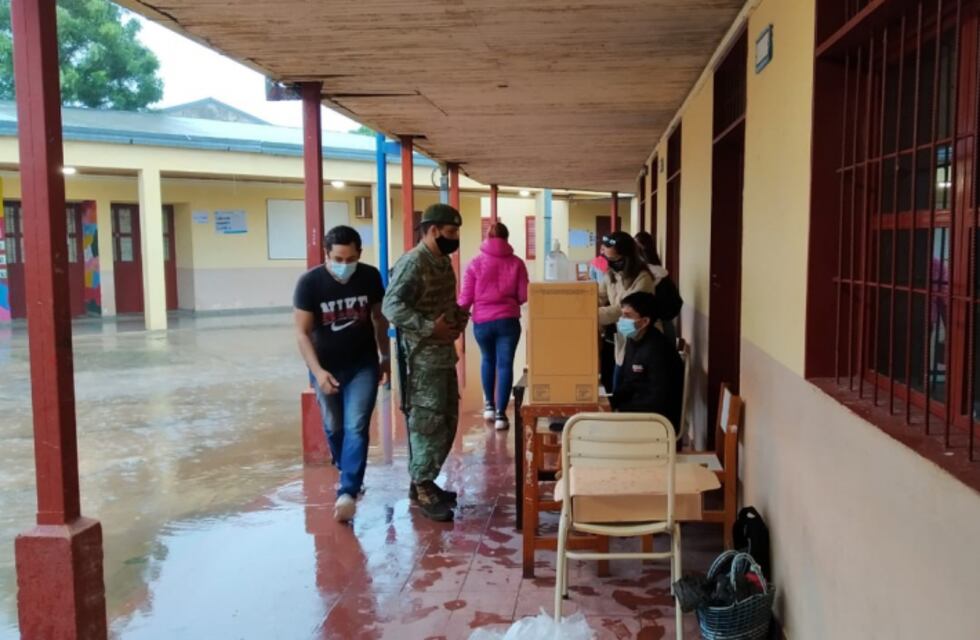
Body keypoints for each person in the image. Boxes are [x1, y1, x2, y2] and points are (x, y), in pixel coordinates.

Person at [293, 225, 390, 522]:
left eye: (350, 259)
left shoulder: (370, 276)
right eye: (338, 258)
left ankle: (347, 490)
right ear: (327, 255)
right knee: (334, 426)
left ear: (359, 254)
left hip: (362, 364)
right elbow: (301, 333)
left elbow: (379, 319)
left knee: (357, 425)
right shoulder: (310, 283)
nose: (345, 265)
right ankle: (345, 467)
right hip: (326, 368)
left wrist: (385, 357)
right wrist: (318, 372)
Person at [383, 203, 469, 522]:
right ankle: (422, 484)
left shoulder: (442, 261)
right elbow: (391, 306)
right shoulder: (413, 262)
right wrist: (429, 327)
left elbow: (444, 302)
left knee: (446, 417)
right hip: (420, 359)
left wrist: (457, 318)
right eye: (450, 232)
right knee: (427, 421)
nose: (455, 238)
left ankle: (424, 479)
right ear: (432, 231)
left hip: (443, 354)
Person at [458, 222, 529, 431]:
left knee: (487, 360)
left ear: (487, 238)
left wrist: (456, 318)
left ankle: (488, 406)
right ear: (507, 238)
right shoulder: (517, 263)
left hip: (482, 321)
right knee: (505, 364)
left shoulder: (475, 263)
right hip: (508, 321)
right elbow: (524, 296)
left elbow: (465, 298)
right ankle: (501, 415)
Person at [611, 291, 684, 434]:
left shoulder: (659, 350)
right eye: (622, 315)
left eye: (627, 316)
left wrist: (622, 410)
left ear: (645, 321)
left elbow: (659, 400)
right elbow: (629, 383)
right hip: (638, 414)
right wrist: (610, 403)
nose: (621, 320)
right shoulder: (633, 341)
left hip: (657, 423)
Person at [598, 231, 656, 391]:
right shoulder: (611, 274)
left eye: (614, 259)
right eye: (607, 259)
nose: (610, 263)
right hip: (623, 340)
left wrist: (590, 315)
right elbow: (600, 296)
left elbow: (622, 310)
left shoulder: (643, 279)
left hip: (640, 338)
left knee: (627, 389)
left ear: (627, 257)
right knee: (615, 385)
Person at [634, 231, 681, 344]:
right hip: (664, 314)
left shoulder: (648, 269)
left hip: (658, 314)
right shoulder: (656, 265)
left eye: (636, 244)